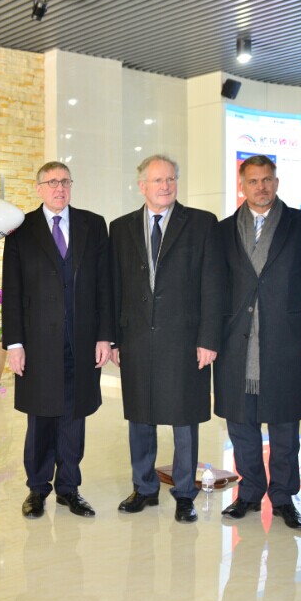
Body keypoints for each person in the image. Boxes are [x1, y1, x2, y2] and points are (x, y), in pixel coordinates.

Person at [110, 154, 224, 523]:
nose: (165, 186)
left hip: (185, 339)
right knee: (140, 416)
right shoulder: (121, 228)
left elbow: (213, 285)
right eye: (158, 180)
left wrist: (209, 338)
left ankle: (185, 493)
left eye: (171, 179)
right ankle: (144, 488)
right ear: (141, 186)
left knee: (184, 417)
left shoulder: (202, 223)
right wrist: (113, 339)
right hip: (136, 338)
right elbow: (114, 287)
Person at [212, 155, 301, 530]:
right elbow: (219, 283)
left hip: (283, 337)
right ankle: (248, 493)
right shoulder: (224, 231)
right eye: (253, 181)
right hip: (236, 340)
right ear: (242, 185)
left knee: (284, 424)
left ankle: (283, 497)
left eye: (267, 179)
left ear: (276, 182)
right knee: (241, 423)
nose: (261, 187)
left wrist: (281, 307)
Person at [2, 161, 113, 519]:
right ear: (39, 189)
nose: (59, 188)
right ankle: (37, 489)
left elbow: (104, 286)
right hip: (37, 343)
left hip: (81, 340)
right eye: (51, 182)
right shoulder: (20, 229)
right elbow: (12, 289)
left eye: (64, 181)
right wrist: (14, 344)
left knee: (73, 416)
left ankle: (69, 488)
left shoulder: (93, 225)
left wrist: (105, 337)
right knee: (41, 417)